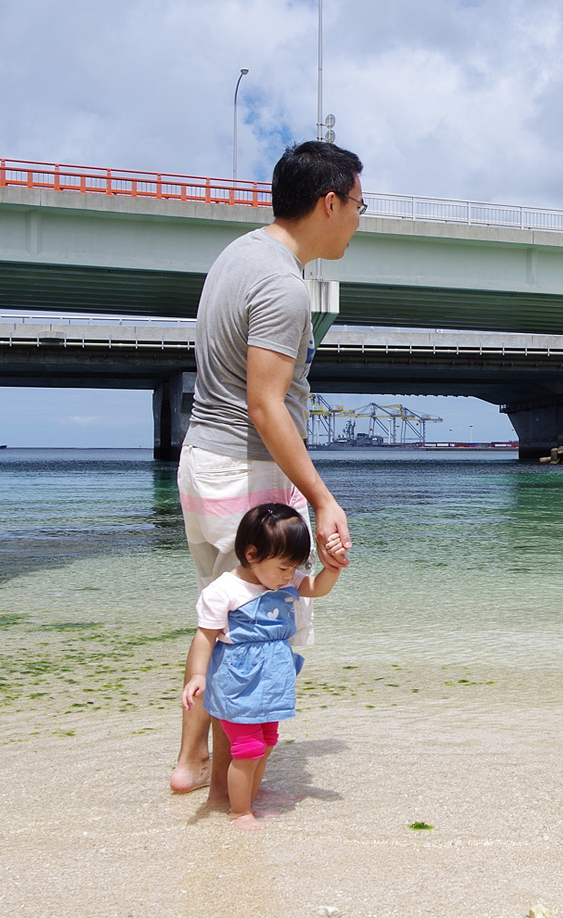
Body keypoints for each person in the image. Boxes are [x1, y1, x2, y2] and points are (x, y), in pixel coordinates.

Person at [172, 140, 365, 800]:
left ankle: (193, 761)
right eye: (359, 206)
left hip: (205, 460)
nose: (361, 220)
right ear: (329, 202)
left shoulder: (239, 253)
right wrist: (321, 496)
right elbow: (265, 402)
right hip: (243, 471)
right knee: (255, 631)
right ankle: (232, 791)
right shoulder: (283, 283)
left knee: (222, 618)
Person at [181, 503, 342, 829]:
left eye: (294, 567)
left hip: (273, 678)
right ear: (252, 554)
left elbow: (316, 588)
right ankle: (239, 811)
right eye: (284, 567)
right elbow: (204, 637)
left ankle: (249, 800)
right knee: (248, 748)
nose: (290, 575)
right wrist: (197, 675)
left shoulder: (283, 580)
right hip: (238, 682)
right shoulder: (224, 590)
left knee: (267, 741)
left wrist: (333, 568)